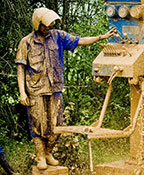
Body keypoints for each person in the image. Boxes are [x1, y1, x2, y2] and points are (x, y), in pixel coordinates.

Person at [16, 7, 115, 170]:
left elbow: (80, 40)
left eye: (50, 24)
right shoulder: (26, 42)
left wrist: (100, 37)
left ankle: (48, 152)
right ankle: (40, 156)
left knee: (56, 125)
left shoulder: (58, 36)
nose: (48, 28)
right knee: (38, 124)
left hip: (55, 88)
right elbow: (20, 68)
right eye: (45, 25)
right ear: (37, 24)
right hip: (35, 90)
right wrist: (22, 92)